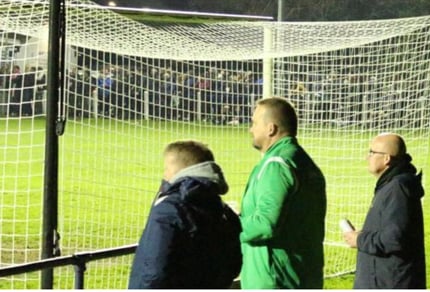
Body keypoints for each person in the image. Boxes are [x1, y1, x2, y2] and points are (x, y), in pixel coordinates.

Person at [128, 140, 242, 289]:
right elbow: (234, 263)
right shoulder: (220, 207)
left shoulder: (168, 208)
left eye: (166, 168)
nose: (164, 174)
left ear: (177, 171)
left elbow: (155, 268)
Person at [240, 97, 327, 289]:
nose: (250, 129)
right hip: (301, 272)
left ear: (271, 128)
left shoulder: (277, 165)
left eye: (254, 123)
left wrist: (230, 227)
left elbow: (265, 225)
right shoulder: (303, 162)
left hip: (276, 278)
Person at [342, 133, 426, 289]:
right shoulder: (392, 184)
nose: (367, 157)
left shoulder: (397, 188)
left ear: (387, 158)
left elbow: (394, 239)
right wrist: (364, 234)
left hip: (388, 281)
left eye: (372, 153)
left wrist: (360, 240)